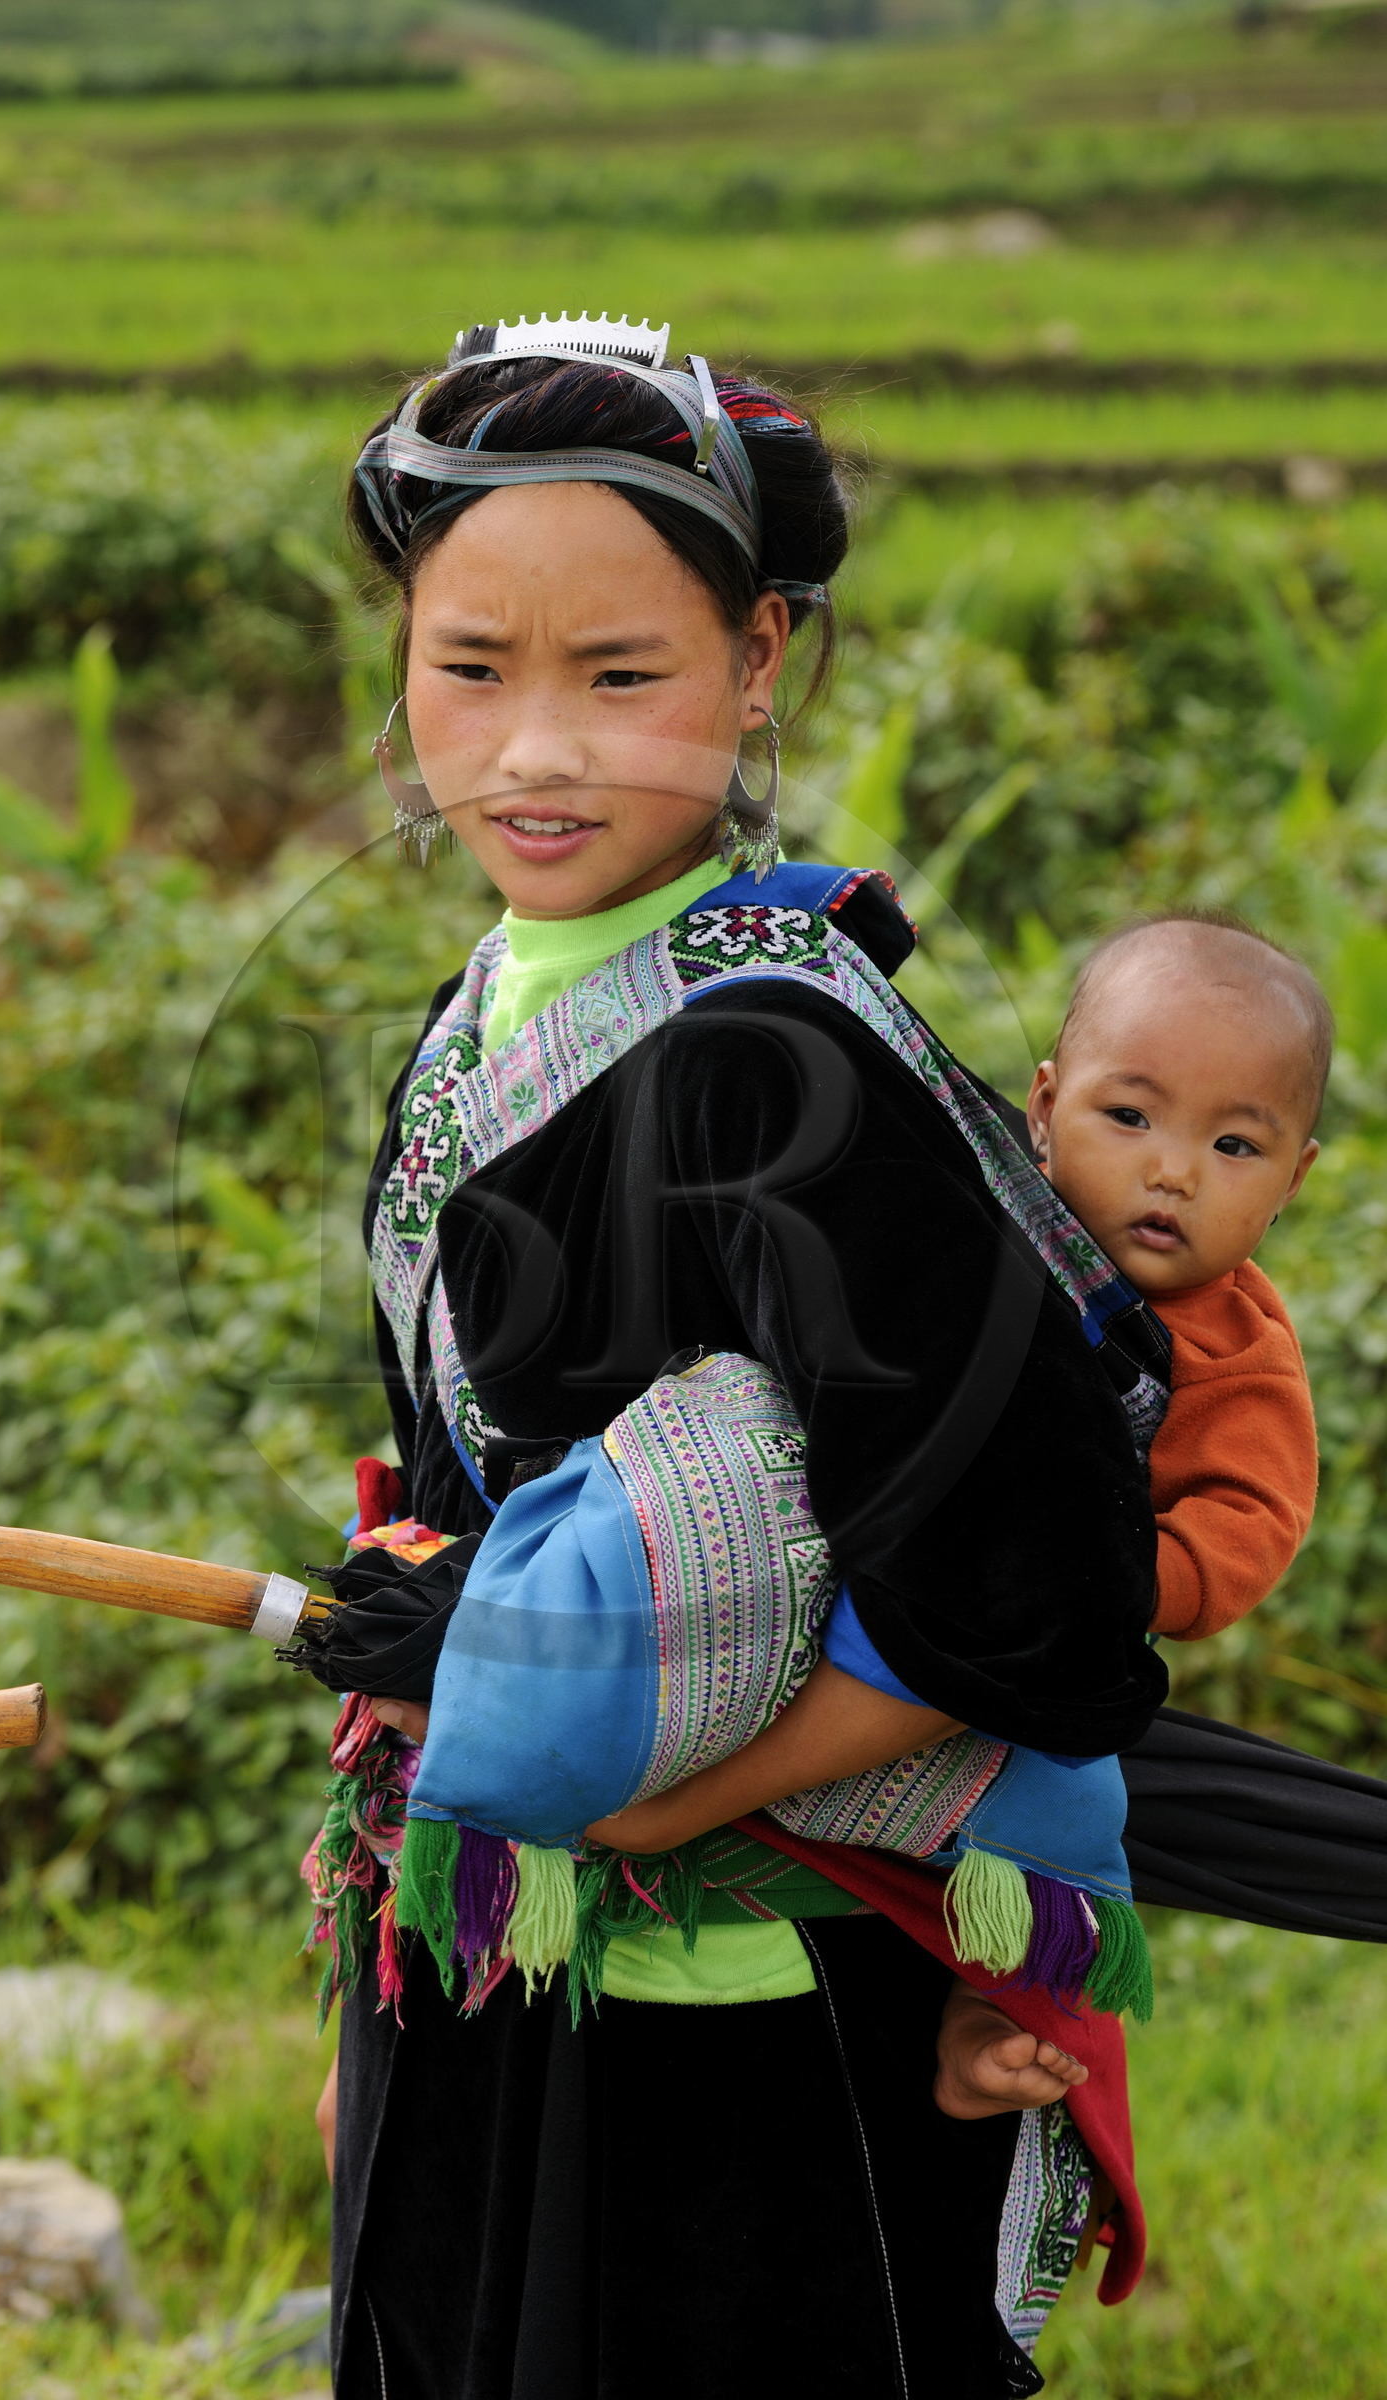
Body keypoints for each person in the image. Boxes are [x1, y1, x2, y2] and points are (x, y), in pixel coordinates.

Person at [318, 315, 1166, 2400]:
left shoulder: (775, 1054)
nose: (533, 754)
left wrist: (636, 1797)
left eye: (622, 679)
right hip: (499, 1966)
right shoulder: (475, 1013)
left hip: (756, 2039)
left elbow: (1045, 1590)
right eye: (468, 668)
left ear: (757, 661)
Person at [930, 910, 1329, 2118]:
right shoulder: (976, 1221)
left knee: (1064, 1831)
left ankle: (995, 2022)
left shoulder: (1236, 1354)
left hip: (1044, 1680)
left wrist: (1116, 1577)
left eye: (1233, 1145)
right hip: (876, 1596)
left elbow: (1247, 1525)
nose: (1173, 1170)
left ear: (1295, 1178)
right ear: (1042, 1109)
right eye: (1130, 1117)